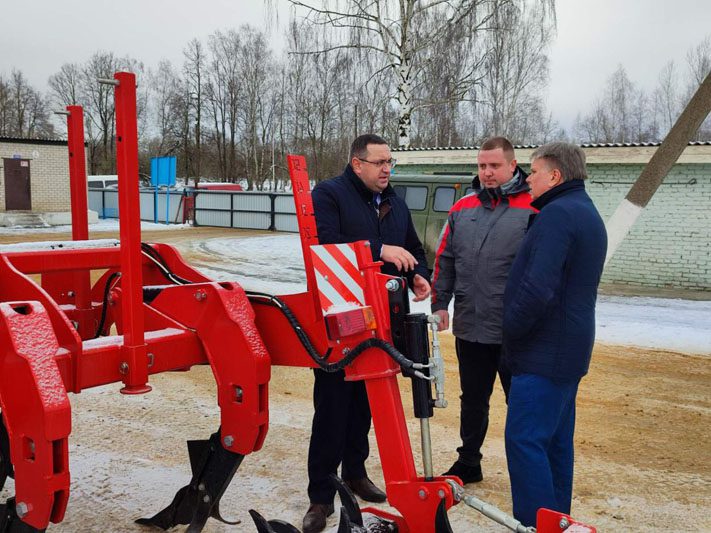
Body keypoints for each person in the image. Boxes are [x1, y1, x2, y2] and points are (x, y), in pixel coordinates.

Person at [302, 133, 431, 533]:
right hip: (339, 321)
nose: (387, 169)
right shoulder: (329, 195)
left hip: (381, 319)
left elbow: (413, 249)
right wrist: (378, 250)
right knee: (333, 406)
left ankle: (355, 472)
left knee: (366, 403)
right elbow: (326, 245)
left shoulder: (395, 202)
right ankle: (320, 496)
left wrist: (419, 277)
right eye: (379, 163)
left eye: (390, 162)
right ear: (357, 163)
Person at [502, 142, 607, 527]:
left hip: (544, 353)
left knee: (526, 442)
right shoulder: (582, 209)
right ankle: (556, 521)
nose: (527, 178)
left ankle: (536, 524)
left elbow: (537, 288)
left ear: (555, 175)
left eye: (533, 171)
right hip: (565, 351)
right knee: (555, 445)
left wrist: (509, 331)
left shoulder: (558, 215)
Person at [431, 136, 535, 484]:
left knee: (520, 404)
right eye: (482, 166)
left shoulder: (534, 206)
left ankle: (525, 468)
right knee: (473, 399)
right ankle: (468, 462)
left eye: (494, 166)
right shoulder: (462, 207)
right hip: (470, 325)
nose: (487, 173)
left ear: (512, 165)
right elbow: (445, 257)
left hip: (515, 331)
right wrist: (439, 303)